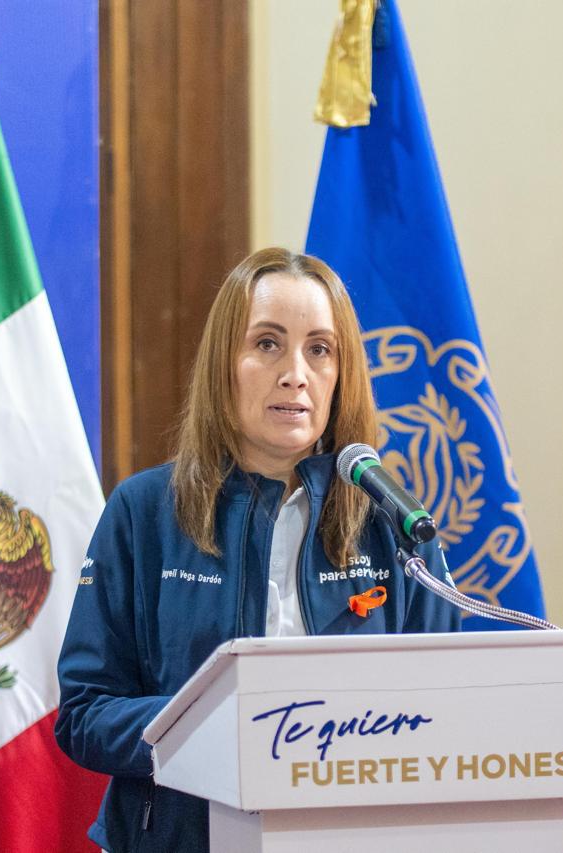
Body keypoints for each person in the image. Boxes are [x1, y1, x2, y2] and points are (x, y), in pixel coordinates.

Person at [55, 247, 460, 852]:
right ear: (225, 363)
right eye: (268, 343)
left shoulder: (392, 522)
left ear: (341, 375)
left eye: (319, 349)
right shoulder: (143, 511)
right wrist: (216, 725)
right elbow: (85, 714)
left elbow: (451, 702)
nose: (295, 373)